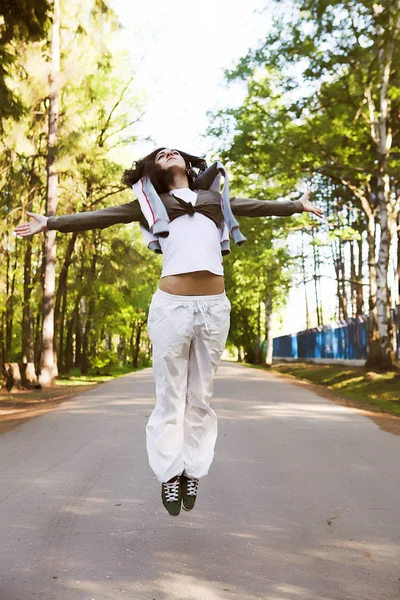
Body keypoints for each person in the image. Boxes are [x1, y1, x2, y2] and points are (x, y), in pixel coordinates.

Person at [14, 147, 323, 516]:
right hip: (171, 308)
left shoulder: (214, 198)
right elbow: (103, 216)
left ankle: (193, 470)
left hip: (214, 308)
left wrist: (295, 206)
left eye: (172, 151)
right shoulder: (151, 204)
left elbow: (255, 206)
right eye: (160, 155)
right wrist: (50, 222)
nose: (169, 153)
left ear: (188, 165)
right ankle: (169, 472)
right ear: (155, 172)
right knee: (170, 396)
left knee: (201, 396)